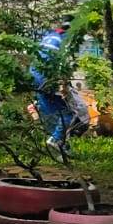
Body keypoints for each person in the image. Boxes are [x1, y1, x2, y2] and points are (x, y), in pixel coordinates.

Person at [32, 18, 76, 148]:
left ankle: (60, 146)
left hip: (34, 77)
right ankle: (56, 140)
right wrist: (64, 85)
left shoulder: (49, 36)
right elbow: (63, 65)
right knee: (67, 114)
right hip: (48, 79)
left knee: (51, 115)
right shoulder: (66, 40)